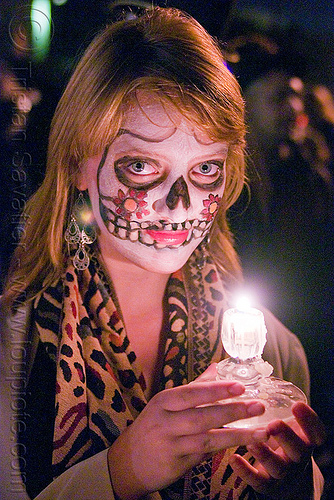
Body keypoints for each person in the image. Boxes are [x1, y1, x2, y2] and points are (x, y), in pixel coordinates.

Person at [0, 7, 326, 500]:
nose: (181, 202)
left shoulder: (275, 353)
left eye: (206, 171)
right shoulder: (14, 347)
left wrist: (300, 488)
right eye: (140, 166)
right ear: (75, 165)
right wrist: (121, 470)